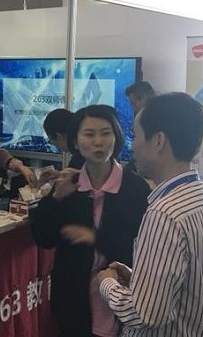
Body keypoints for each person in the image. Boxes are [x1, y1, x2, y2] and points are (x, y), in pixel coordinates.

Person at [98, 92, 203, 336]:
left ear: (158, 141)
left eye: (136, 135)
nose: (133, 145)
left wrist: (106, 283)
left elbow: (145, 314)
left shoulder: (165, 213)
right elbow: (194, 286)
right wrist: (138, 279)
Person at [31, 105, 151, 337]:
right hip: (73, 301)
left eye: (106, 133)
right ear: (75, 142)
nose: (98, 142)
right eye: (89, 134)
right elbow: (43, 238)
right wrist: (55, 200)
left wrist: (95, 238)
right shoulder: (69, 184)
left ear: (116, 138)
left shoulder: (135, 188)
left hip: (120, 301)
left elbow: (142, 248)